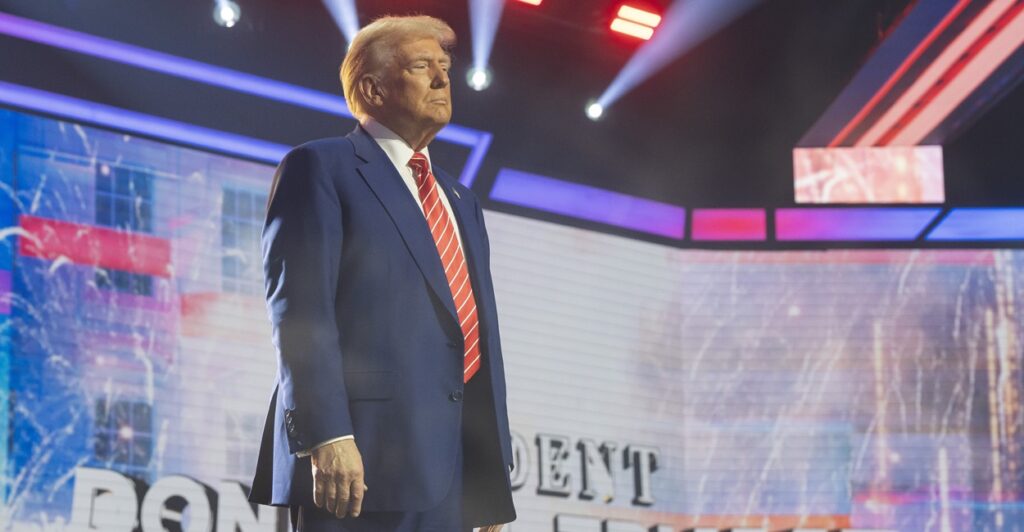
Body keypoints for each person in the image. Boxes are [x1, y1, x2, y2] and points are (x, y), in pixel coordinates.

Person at [247, 15, 516, 532]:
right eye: (422, 67)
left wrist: (489, 475)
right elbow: (299, 309)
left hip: (455, 469)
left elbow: (474, 335)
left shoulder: (461, 200)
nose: (442, 80)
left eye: (445, 68)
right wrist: (328, 434)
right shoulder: (321, 167)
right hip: (361, 459)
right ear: (372, 87)